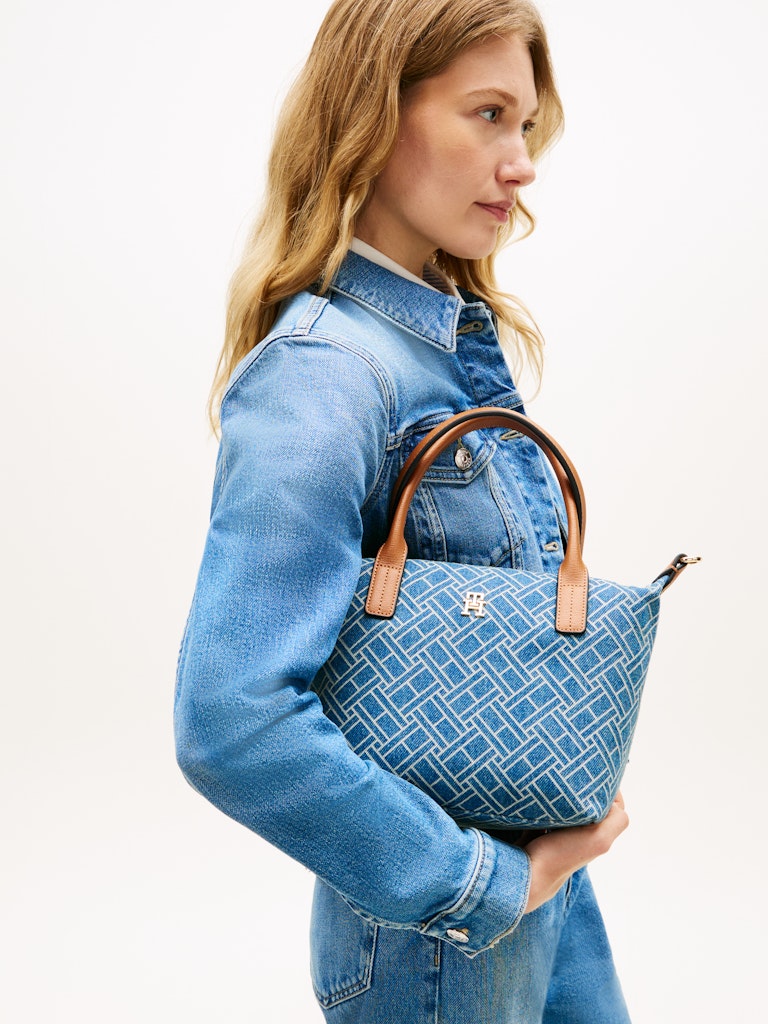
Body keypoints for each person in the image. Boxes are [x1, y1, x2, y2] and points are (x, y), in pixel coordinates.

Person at [174, 1, 631, 1020]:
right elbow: (233, 719)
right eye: (488, 114)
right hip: (436, 948)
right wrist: (485, 881)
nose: (522, 164)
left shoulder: (442, 346)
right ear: (374, 114)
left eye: (526, 125)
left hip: (537, 911)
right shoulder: (324, 374)